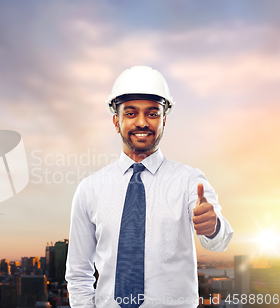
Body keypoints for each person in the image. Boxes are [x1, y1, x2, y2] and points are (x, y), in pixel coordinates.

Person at [65, 66, 233, 308]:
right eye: (131, 113)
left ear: (164, 120)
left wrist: (212, 226)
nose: (142, 123)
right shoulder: (89, 189)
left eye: (152, 114)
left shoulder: (189, 180)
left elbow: (220, 241)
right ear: (116, 121)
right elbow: (79, 271)